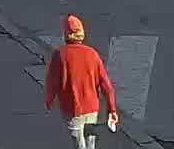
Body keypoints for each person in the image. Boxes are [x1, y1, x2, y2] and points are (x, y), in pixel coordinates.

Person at [44, 14, 119, 148]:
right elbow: (106, 85)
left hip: (72, 108)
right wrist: (112, 110)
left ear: (66, 34)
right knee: (91, 142)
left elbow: (52, 82)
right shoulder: (92, 53)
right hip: (92, 108)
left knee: (79, 144)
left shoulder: (60, 55)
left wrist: (49, 100)